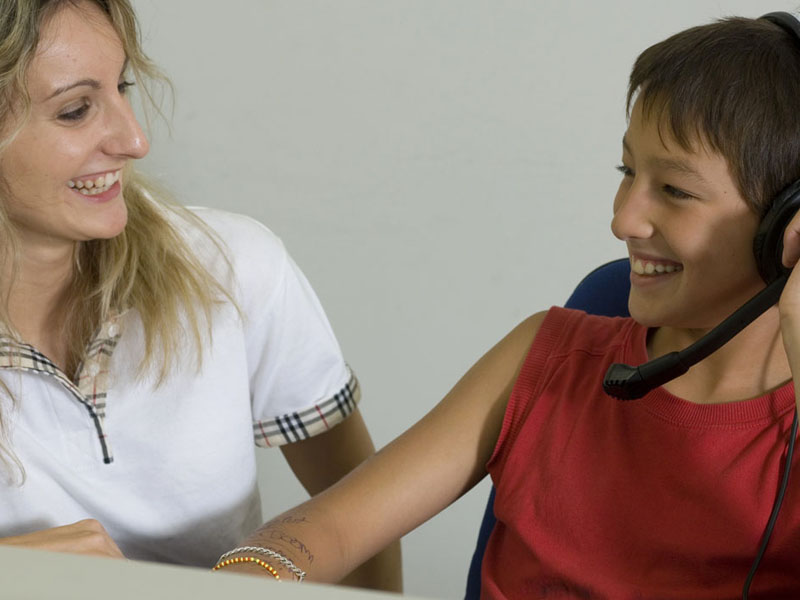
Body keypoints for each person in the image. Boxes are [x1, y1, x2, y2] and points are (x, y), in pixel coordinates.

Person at [213, 13, 800, 599]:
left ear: (786, 225)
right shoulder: (548, 356)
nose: (623, 219)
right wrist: (250, 573)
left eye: (675, 190)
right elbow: (334, 527)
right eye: (627, 170)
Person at [0, 0, 401, 592]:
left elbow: (363, 516)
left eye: (123, 87)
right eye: (77, 110)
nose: (134, 139)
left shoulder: (233, 267)